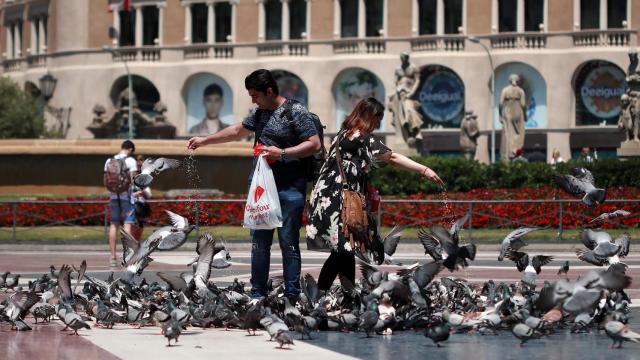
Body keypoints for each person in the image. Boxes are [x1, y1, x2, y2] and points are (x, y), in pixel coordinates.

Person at [187, 69, 321, 302]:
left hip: (290, 187)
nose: (253, 100)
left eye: (255, 95)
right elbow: (238, 130)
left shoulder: (295, 111)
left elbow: (314, 144)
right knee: (259, 244)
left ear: (270, 91)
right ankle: (258, 294)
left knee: (289, 243)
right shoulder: (259, 113)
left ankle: (291, 294)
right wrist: (205, 140)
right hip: (261, 187)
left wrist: (282, 153)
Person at [306, 97, 442, 292]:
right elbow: (392, 157)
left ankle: (348, 296)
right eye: (378, 119)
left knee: (345, 250)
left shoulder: (343, 134)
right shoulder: (361, 137)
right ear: (370, 116)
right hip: (341, 200)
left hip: (328, 196)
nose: (379, 124)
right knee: (342, 251)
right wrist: (424, 170)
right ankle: (318, 295)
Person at [104, 140, 138, 267]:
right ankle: (128, 256)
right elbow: (134, 181)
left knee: (114, 225)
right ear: (130, 149)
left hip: (113, 197)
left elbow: (106, 180)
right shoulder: (131, 161)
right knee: (127, 225)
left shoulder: (109, 161)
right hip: (127, 198)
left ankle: (112, 257)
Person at [131, 155, 152, 241]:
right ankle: (132, 245)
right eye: (138, 161)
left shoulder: (144, 177)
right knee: (133, 226)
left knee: (140, 226)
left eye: (141, 161)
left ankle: (136, 244)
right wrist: (135, 193)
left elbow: (149, 194)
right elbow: (126, 194)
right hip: (132, 206)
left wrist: (143, 192)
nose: (140, 163)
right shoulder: (131, 176)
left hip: (142, 206)